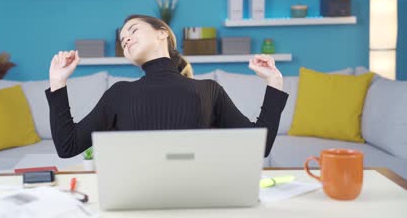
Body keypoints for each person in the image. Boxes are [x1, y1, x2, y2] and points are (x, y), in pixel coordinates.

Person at [46, 15, 288, 159]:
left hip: (196, 200)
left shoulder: (208, 90)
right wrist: (58, 83)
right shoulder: (118, 94)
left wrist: (274, 82)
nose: (126, 39)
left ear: (162, 33)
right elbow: (68, 147)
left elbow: (260, 146)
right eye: (122, 39)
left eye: (133, 30)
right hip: (136, 201)